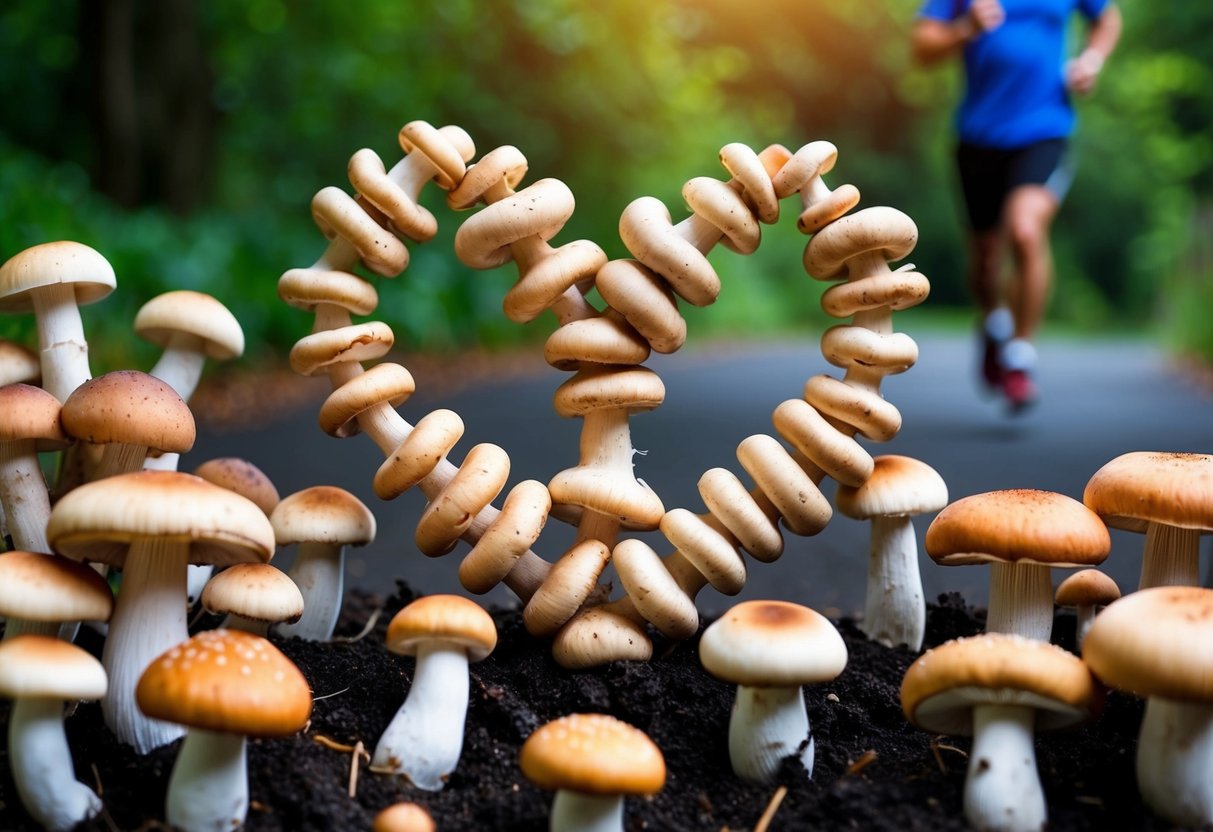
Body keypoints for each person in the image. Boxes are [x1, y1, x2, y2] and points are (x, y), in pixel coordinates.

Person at [911, 0, 1122, 412]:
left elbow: (1107, 17)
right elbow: (922, 47)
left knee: (1026, 230)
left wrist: (1091, 60)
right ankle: (995, 323)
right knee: (986, 263)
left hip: (1045, 130)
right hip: (978, 138)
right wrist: (964, 29)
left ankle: (1020, 357)